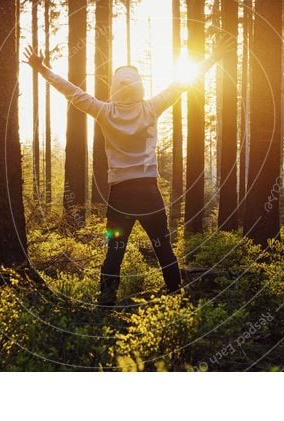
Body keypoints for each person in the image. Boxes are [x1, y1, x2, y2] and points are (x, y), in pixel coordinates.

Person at [23, 36, 234, 307]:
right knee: (163, 248)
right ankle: (175, 298)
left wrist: (42, 69)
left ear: (114, 87)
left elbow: (72, 92)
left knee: (114, 252)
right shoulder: (150, 108)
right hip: (148, 194)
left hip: (120, 197)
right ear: (139, 87)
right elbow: (181, 85)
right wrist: (213, 56)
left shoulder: (104, 111)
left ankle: (106, 304)